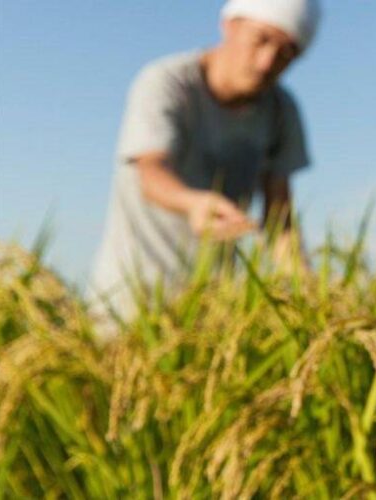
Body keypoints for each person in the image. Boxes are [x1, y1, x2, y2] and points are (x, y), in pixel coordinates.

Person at [86, 0, 321, 336]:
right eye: (261, 40)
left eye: (286, 54)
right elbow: (151, 172)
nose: (267, 62)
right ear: (230, 25)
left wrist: (312, 293)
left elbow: (279, 219)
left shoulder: (282, 111)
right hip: (128, 302)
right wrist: (194, 204)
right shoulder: (166, 82)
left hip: (214, 312)